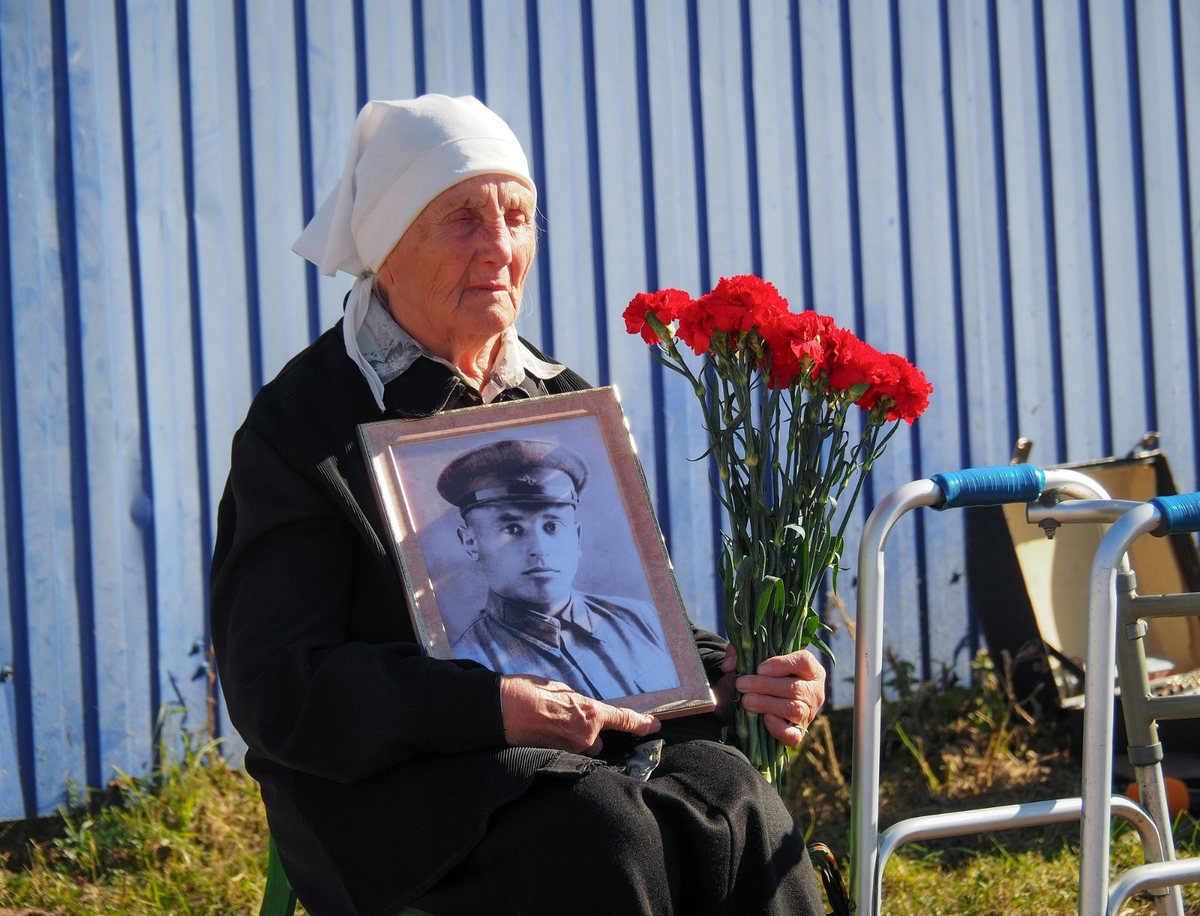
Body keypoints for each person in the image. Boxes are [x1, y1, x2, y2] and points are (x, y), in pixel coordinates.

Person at [210, 94, 828, 916]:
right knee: (602, 830)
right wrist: (488, 708)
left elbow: (649, 620)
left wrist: (737, 674)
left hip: (584, 751)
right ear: (388, 249)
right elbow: (278, 687)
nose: (500, 249)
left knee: (733, 796)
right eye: (463, 220)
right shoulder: (302, 426)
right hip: (390, 789)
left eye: (518, 217)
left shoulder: (559, 400)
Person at [439, 437, 680, 699]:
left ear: (576, 537)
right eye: (512, 529)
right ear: (471, 542)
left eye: (552, 526)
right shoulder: (466, 666)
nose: (539, 549)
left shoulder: (641, 619)